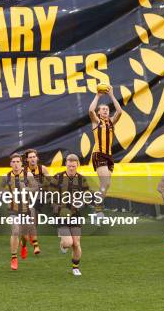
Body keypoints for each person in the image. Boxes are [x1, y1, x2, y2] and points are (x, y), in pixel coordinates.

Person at [49, 154, 91, 276]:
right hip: (61, 215)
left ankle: (75, 267)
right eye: (69, 166)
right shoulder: (58, 177)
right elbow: (51, 195)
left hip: (75, 215)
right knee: (68, 243)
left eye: (73, 166)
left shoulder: (82, 179)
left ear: (77, 165)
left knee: (76, 243)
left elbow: (86, 195)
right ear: (66, 165)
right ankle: (63, 244)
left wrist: (82, 203)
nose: (71, 168)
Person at [88, 85, 122, 218]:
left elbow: (119, 112)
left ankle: (96, 206)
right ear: (99, 112)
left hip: (109, 156)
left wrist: (112, 95)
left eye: (107, 109)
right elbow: (90, 110)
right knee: (105, 182)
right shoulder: (97, 121)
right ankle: (98, 209)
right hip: (98, 154)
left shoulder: (111, 122)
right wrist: (97, 96)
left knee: (106, 185)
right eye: (103, 109)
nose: (106, 110)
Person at [0, 153, 36, 270]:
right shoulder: (6, 177)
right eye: (13, 162)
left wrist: (26, 189)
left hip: (26, 209)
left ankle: (23, 246)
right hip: (13, 209)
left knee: (25, 236)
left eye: (17, 162)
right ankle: (14, 257)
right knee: (15, 231)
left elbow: (36, 188)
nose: (15, 164)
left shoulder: (28, 175)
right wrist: (4, 194)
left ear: (21, 163)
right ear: (10, 164)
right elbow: (0, 189)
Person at [22, 149, 49, 256]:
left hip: (40, 197)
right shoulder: (23, 171)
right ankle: (35, 245)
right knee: (32, 220)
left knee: (34, 223)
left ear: (37, 158)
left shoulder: (43, 169)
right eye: (30, 157)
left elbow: (51, 182)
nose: (32, 159)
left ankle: (27, 240)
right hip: (28, 198)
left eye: (34, 157)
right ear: (27, 159)